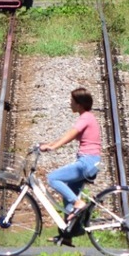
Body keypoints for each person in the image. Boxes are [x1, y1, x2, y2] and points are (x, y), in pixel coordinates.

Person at [40, 87, 102, 244]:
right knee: (68, 200)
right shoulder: (87, 117)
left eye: (72, 102)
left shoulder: (85, 118)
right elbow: (69, 135)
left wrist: (53, 147)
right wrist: (49, 144)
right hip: (89, 161)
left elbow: (70, 134)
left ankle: (79, 204)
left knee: (53, 178)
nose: (70, 104)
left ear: (79, 104)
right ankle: (68, 235)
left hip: (86, 162)